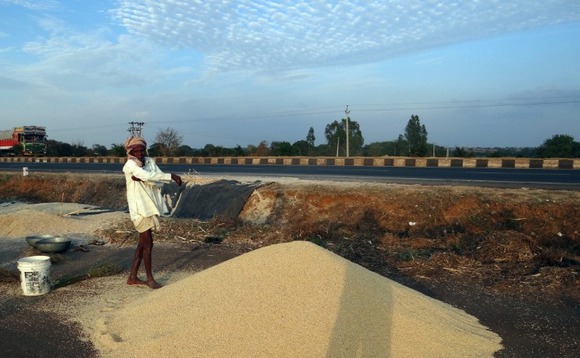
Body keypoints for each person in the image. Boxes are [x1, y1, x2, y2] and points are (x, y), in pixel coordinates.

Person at [122, 136, 182, 289]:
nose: (140, 153)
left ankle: (132, 277)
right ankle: (150, 279)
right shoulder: (129, 166)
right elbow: (148, 176)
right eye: (136, 151)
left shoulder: (149, 162)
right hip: (140, 210)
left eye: (142, 150)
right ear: (130, 151)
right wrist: (171, 176)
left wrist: (148, 179)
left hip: (150, 207)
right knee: (148, 244)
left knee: (142, 244)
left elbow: (156, 179)